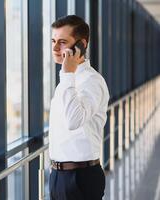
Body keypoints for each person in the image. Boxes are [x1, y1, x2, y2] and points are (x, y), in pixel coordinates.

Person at [48, 15, 110, 200]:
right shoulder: (67, 82)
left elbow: (74, 121)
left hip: (80, 178)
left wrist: (67, 73)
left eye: (62, 42)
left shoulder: (91, 81)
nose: (54, 48)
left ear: (81, 45)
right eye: (53, 41)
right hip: (59, 176)